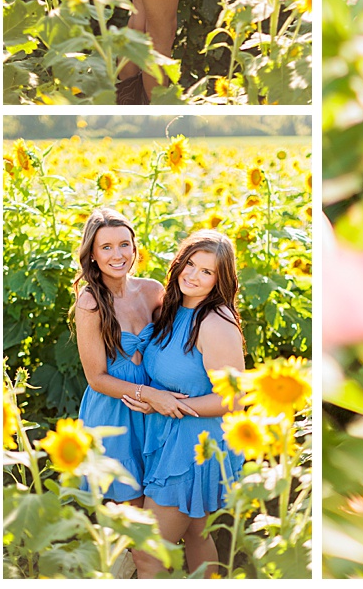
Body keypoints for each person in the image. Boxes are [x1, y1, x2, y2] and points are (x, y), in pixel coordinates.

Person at [125, 231, 245, 577]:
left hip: (194, 447)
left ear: (220, 280)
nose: (193, 275)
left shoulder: (215, 323)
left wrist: (167, 405)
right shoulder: (172, 309)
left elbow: (232, 399)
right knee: (196, 534)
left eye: (206, 272)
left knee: (147, 554)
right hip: (168, 434)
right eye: (190, 264)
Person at [73, 208, 170, 574]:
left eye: (124, 245)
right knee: (135, 533)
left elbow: (171, 345)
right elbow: (96, 376)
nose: (118, 255)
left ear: (135, 247)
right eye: (107, 247)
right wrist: (151, 396)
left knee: (160, 526)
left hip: (155, 416)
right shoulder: (90, 302)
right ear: (93, 254)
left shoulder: (152, 291)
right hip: (116, 415)